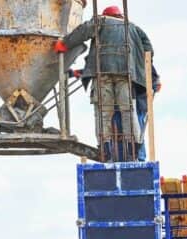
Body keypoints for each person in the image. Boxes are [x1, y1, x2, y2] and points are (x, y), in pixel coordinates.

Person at [55, 5, 155, 161]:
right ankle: (133, 150)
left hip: (103, 73)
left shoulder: (101, 20)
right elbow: (149, 50)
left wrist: (65, 44)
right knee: (128, 111)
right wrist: (141, 68)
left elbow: (84, 31)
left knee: (104, 113)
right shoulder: (134, 28)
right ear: (120, 16)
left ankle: (106, 149)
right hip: (126, 74)